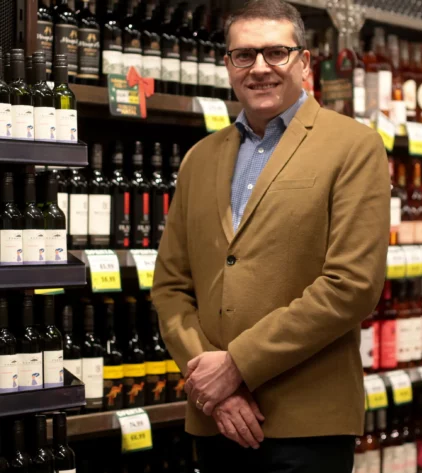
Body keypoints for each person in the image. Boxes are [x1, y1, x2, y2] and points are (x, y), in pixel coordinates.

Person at [150, 0, 389, 471]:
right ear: (228, 65)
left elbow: (352, 286)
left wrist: (236, 365)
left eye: (276, 52)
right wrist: (213, 384)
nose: (259, 68)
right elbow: (170, 286)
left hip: (308, 425)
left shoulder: (354, 147)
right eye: (244, 55)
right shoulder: (199, 158)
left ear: (304, 62)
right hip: (216, 418)